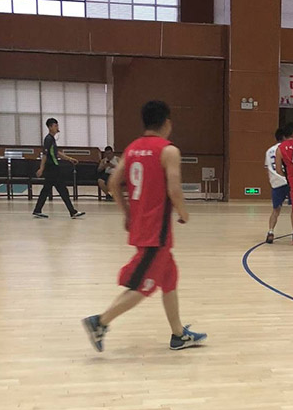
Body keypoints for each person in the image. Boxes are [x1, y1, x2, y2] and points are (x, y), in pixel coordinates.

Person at [82, 100, 207, 352]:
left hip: (141, 226)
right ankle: (100, 322)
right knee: (142, 287)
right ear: (167, 122)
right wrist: (184, 213)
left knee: (169, 277)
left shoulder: (132, 149)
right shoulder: (169, 151)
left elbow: (113, 183)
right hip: (156, 233)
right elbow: (174, 189)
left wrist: (127, 213)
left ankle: (178, 335)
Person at [32, 118, 84, 219]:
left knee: (47, 190)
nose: (57, 127)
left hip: (53, 168)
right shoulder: (48, 139)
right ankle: (72, 211)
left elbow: (57, 153)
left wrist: (69, 159)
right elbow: (45, 155)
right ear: (50, 127)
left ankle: (37, 210)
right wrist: (41, 169)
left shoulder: (52, 139)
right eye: (55, 126)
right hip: (51, 169)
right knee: (62, 190)